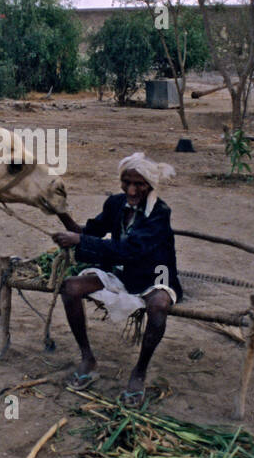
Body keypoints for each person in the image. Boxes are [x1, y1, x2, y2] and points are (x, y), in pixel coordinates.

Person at [52, 152, 182, 405]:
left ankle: (139, 372)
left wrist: (80, 241)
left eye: (139, 184)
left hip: (156, 273)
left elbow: (131, 250)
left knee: (159, 305)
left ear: (150, 185)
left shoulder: (159, 212)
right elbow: (88, 232)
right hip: (124, 272)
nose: (131, 190)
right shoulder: (115, 204)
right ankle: (87, 359)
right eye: (126, 182)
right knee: (70, 288)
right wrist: (60, 212)